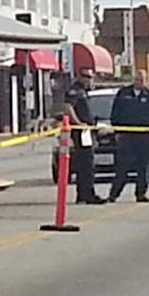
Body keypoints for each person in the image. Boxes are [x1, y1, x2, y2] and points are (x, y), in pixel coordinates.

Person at [108, 70, 149, 203]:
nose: (139, 82)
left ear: (146, 81)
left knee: (143, 167)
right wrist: (117, 131)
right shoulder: (123, 94)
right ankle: (114, 194)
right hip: (127, 136)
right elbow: (115, 113)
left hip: (144, 137)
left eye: (142, 80)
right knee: (123, 166)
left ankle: (141, 193)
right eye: (137, 79)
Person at [65, 68, 106, 204]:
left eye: (90, 77)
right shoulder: (75, 90)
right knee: (86, 163)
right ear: (80, 77)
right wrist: (78, 123)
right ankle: (87, 194)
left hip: (87, 132)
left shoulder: (84, 91)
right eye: (87, 77)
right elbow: (68, 107)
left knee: (87, 164)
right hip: (81, 132)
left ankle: (84, 194)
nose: (89, 79)